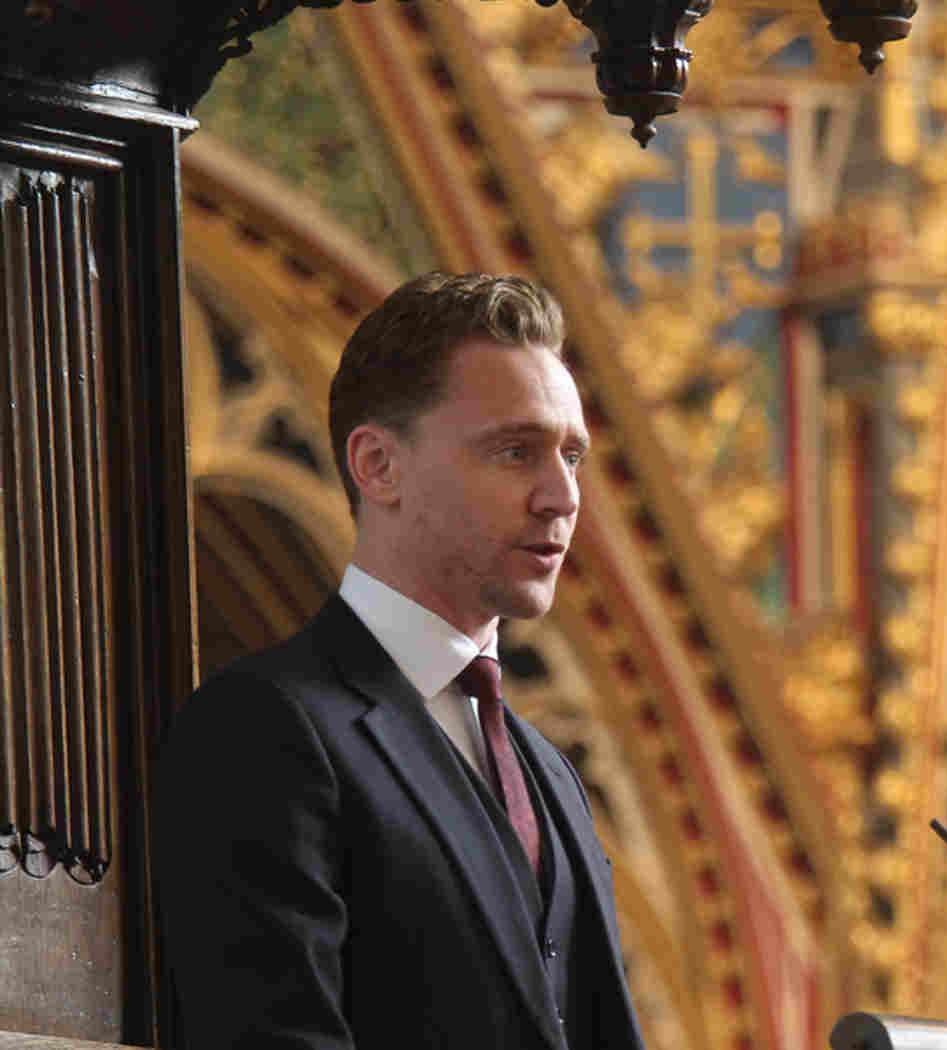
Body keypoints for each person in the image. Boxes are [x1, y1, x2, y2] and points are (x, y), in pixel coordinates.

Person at [156, 272, 645, 1050]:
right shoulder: (262, 727)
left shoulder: (547, 772)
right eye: (517, 451)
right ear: (379, 466)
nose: (561, 496)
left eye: (573, 456)